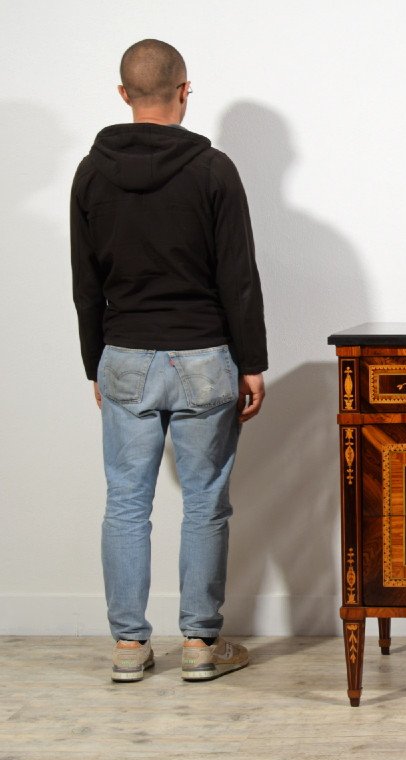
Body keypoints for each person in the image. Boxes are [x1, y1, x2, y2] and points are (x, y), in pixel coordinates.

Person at [70, 39, 267, 682]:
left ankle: (129, 648)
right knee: (205, 502)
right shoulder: (214, 171)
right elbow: (238, 277)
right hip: (204, 356)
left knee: (126, 503)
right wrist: (253, 362)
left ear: (124, 95)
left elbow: (84, 282)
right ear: (185, 92)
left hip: (123, 355)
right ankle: (199, 647)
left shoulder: (90, 174)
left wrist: (92, 362)